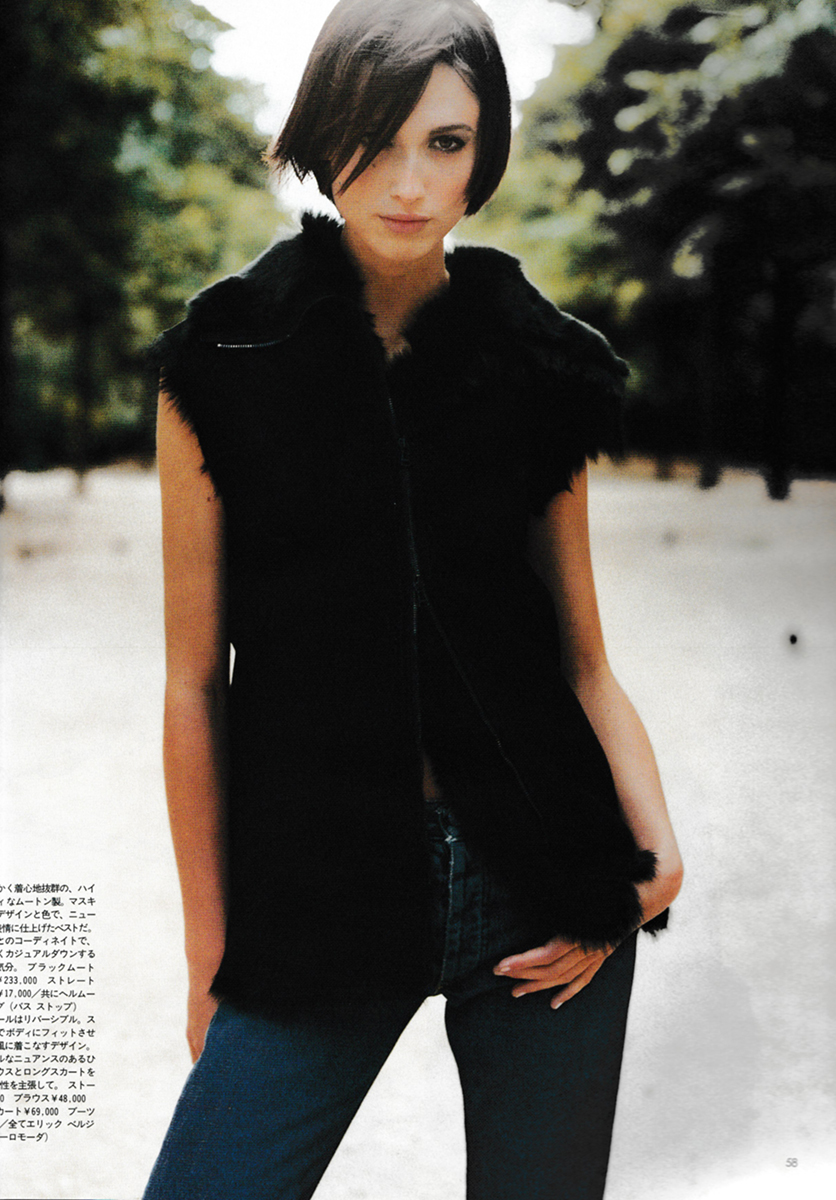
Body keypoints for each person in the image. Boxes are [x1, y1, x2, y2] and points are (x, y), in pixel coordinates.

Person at [144, 1, 683, 1196]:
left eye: (444, 143)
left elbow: (583, 662)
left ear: (482, 153)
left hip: (546, 889)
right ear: (320, 132)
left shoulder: (542, 364)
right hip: (319, 887)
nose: (406, 183)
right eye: (374, 140)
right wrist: (208, 954)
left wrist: (655, 861)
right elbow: (191, 685)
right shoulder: (220, 363)